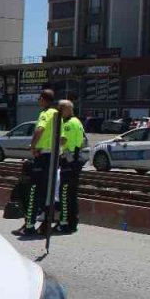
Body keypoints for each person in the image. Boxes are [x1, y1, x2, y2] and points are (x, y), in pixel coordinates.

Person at [15, 89, 59, 237]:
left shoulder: (45, 114)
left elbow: (40, 129)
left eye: (39, 98)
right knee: (47, 192)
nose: (38, 101)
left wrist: (32, 146)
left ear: (44, 99)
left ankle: (29, 226)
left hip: (43, 156)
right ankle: (45, 224)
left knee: (34, 192)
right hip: (53, 156)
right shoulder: (56, 113)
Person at [56, 99, 85, 234]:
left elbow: (63, 140)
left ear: (66, 110)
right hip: (76, 160)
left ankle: (64, 223)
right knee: (72, 194)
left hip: (68, 161)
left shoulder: (67, 124)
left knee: (65, 193)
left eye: (60, 110)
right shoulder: (78, 122)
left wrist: (54, 139)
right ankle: (73, 222)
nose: (59, 113)